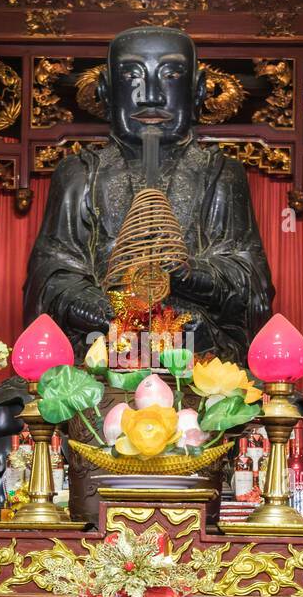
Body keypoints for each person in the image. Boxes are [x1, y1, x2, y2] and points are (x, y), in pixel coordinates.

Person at [22, 26, 274, 362]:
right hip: (102, 342)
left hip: (198, 347)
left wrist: (187, 274)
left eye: (170, 75)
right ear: (106, 91)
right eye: (131, 75)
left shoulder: (220, 174)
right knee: (5, 412)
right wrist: (113, 314)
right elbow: (51, 276)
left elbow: (251, 279)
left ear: (197, 91)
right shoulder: (80, 174)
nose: (151, 95)